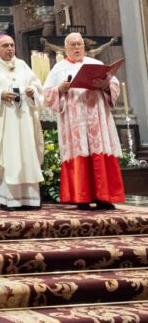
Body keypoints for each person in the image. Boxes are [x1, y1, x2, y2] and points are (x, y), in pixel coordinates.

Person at [43, 31, 125, 209]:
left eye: (79, 44)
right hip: (75, 119)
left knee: (99, 150)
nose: (77, 48)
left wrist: (105, 85)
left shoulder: (95, 63)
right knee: (80, 152)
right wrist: (60, 89)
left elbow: (114, 84)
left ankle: (104, 197)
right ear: (66, 49)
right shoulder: (58, 68)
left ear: (84, 46)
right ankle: (82, 197)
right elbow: (47, 94)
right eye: (72, 45)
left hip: (97, 116)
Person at [0, 34, 45, 210]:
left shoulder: (22, 65)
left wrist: (32, 92)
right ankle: (8, 199)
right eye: (5, 45)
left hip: (23, 120)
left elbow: (37, 87)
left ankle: (30, 199)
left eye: (12, 45)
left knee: (26, 156)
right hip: (1, 121)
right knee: (7, 157)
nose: (10, 49)